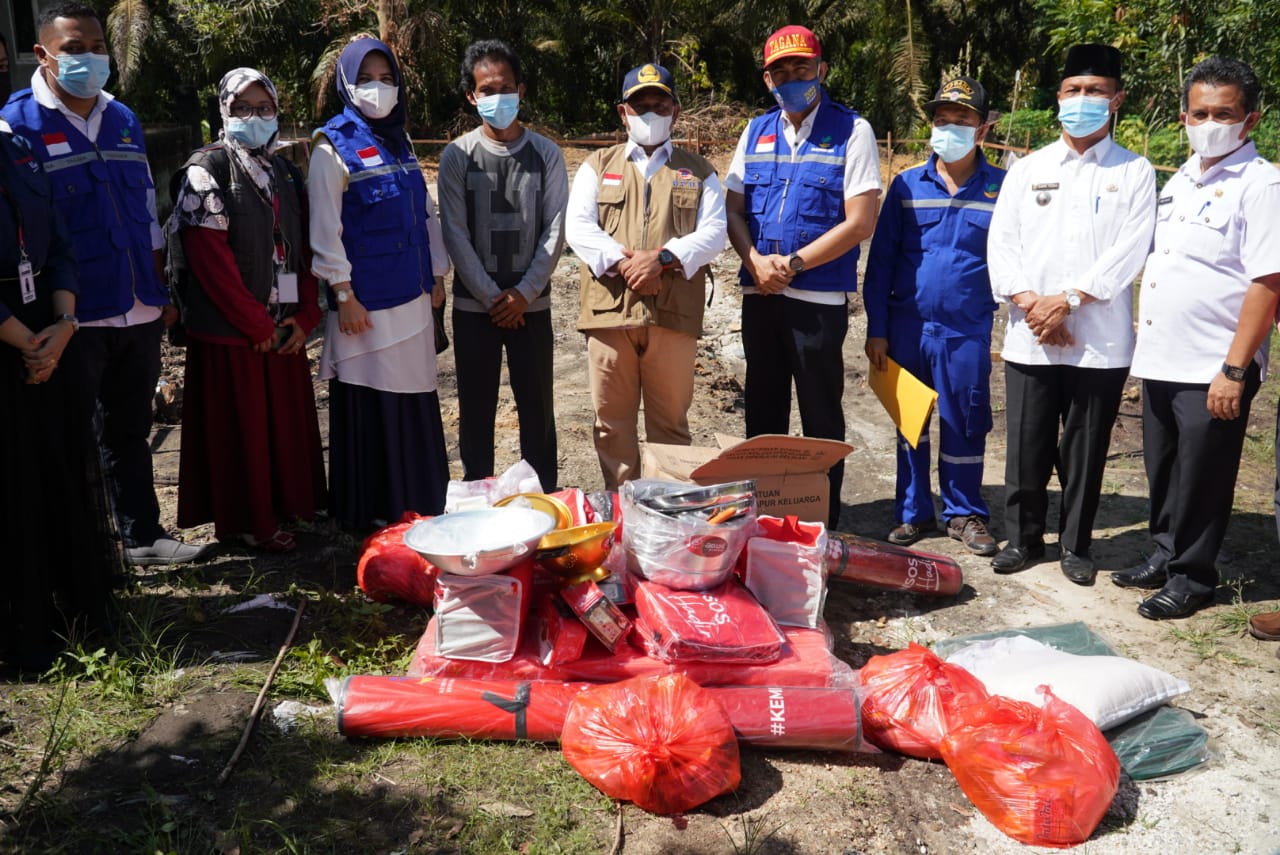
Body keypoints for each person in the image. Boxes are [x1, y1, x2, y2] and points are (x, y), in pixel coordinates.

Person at [2, 2, 208, 567]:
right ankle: (85, 550)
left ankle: (142, 535)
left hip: (136, 299)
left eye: (97, 47)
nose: (89, 58)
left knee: (131, 426)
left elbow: (146, 206)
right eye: (73, 49)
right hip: (71, 312)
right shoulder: (17, 124)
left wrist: (161, 288)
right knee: (70, 432)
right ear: (42, 55)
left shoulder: (122, 117)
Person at [985, 44, 1155, 584]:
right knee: (1026, 444)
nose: (1082, 101)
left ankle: (1076, 545)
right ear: (1058, 98)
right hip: (1031, 332)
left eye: (1095, 92)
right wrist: (1034, 304)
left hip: (1099, 340)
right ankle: (1023, 537)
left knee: (1084, 448)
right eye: (1073, 90)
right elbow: (1002, 244)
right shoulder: (1027, 168)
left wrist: (1070, 301)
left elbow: (1130, 251)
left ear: (1116, 100)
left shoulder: (1134, 171)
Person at [1118, 58, 1280, 619]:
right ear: (1184, 115)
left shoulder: (1262, 185)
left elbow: (1267, 281)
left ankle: (1192, 575)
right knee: (1163, 467)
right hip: (1163, 355)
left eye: (1224, 113)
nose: (1209, 122)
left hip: (1214, 361)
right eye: (1199, 112)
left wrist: (1235, 370)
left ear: (1249, 119)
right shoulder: (1181, 179)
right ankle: (1164, 552)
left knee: (1205, 475)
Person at [725, 25, 881, 531]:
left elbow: (860, 221)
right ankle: (764, 519)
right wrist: (753, 261)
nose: (791, 78)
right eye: (780, 70)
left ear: (822, 69)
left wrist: (789, 265)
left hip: (816, 300)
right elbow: (733, 208)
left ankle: (822, 522)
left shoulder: (852, 131)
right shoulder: (755, 131)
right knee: (762, 414)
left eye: (801, 67)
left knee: (819, 416)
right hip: (760, 295)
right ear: (767, 78)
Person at [171, 68, 327, 553]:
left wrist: (304, 317)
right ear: (223, 111)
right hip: (233, 332)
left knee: (279, 425)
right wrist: (254, 323)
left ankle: (286, 508)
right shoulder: (206, 170)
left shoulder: (283, 170)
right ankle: (248, 522)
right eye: (242, 109)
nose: (254, 118)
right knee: (243, 432)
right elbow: (208, 259)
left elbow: (301, 249)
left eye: (264, 109)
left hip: (281, 329)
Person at [310, 36, 450, 530]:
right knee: (375, 398)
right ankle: (375, 507)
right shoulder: (332, 145)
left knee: (415, 395)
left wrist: (436, 273)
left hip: (411, 295)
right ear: (347, 84)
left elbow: (425, 212)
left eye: (387, 79)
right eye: (366, 79)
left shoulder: (401, 140)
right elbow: (326, 230)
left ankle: (419, 499)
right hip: (365, 306)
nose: (378, 88)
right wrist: (342, 295)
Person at [564, 63, 726, 490]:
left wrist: (664, 259)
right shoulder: (596, 166)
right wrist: (627, 263)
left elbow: (714, 233)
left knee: (671, 428)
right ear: (623, 113)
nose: (650, 113)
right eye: (641, 106)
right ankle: (623, 518)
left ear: (675, 112)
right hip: (609, 316)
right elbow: (578, 227)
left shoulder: (700, 171)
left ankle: (667, 521)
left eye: (660, 104)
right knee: (612, 426)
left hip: (672, 316)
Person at [863, 76, 1004, 556]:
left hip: (966, 330)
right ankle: (913, 512)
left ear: (982, 130)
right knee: (910, 423)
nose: (950, 128)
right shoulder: (904, 185)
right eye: (942, 120)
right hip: (906, 328)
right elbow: (880, 263)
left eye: (961, 121)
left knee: (965, 421)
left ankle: (964, 512)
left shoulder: (1002, 189)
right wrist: (877, 331)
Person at [1, 123, 120, 672]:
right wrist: (27, 343)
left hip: (48, 330)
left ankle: (73, 609)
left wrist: (64, 324)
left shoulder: (19, 149)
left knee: (59, 471)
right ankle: (23, 624)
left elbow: (61, 245)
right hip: (13, 341)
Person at [439, 39, 567, 492]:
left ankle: (545, 502)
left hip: (531, 308)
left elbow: (555, 230)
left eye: (505, 87)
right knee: (476, 412)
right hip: (477, 311)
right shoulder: (457, 156)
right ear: (472, 96)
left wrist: (523, 294)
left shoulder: (547, 155)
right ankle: (478, 500)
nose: (497, 97)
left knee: (538, 411)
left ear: (521, 90)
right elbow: (454, 232)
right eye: (486, 89)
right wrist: (493, 297)